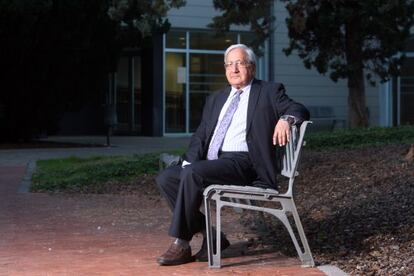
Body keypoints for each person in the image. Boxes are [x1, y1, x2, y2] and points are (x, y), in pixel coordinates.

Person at [155, 44, 310, 266]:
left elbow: (299, 109)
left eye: (240, 63)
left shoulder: (268, 91)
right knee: (167, 177)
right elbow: (201, 135)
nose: (234, 69)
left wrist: (286, 120)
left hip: (245, 163)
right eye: (229, 64)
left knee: (192, 174)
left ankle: (181, 243)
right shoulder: (217, 98)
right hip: (214, 163)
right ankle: (213, 236)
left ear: (252, 68)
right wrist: (189, 161)